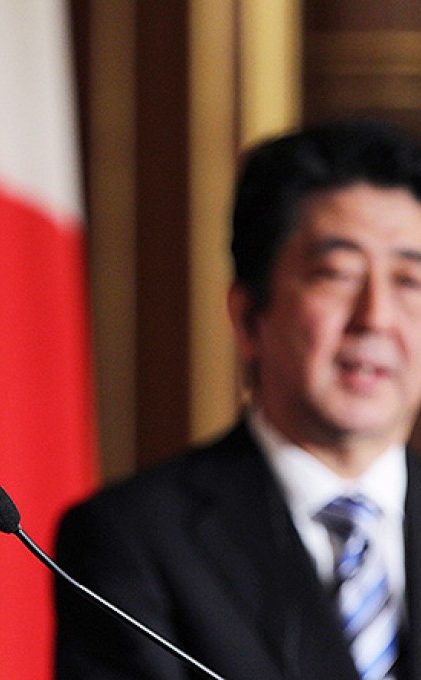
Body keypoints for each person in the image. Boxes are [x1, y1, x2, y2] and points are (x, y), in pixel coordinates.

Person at [56, 118, 421, 680]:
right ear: (249, 316)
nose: (374, 317)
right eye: (337, 274)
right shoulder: (134, 541)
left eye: (409, 281)